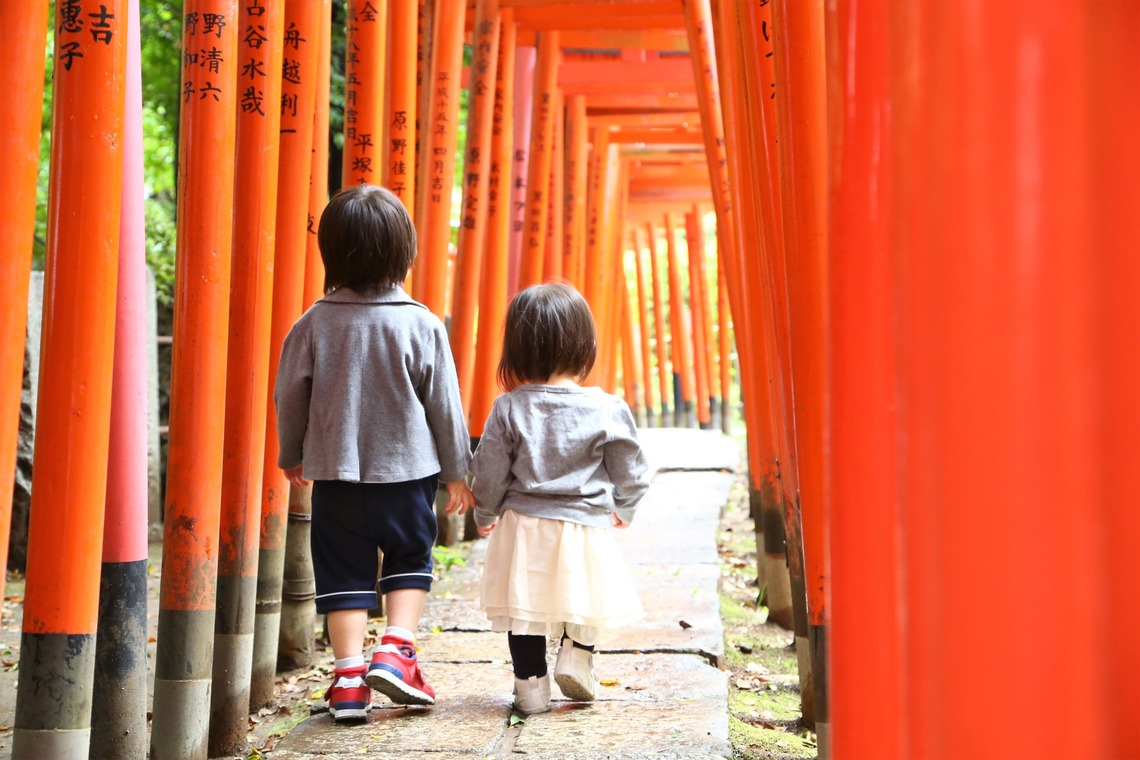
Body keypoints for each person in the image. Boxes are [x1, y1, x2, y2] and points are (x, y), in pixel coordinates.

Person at [274, 184, 474, 722]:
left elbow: (289, 394)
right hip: (408, 476)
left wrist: (291, 453)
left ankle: (347, 681)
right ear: (403, 251)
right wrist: (458, 472)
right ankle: (397, 648)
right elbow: (445, 407)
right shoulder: (422, 323)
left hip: (336, 479)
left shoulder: (312, 323)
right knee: (409, 561)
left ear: (331, 252)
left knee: (342, 573)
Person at [470, 283, 651, 715]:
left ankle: (530, 687)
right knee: (587, 593)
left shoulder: (509, 407)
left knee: (524, 608)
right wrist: (624, 506)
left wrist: (484, 511)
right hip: (585, 523)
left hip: (524, 524)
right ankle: (577, 655)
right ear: (585, 344)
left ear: (516, 349)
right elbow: (633, 471)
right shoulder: (607, 408)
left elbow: (489, 470)